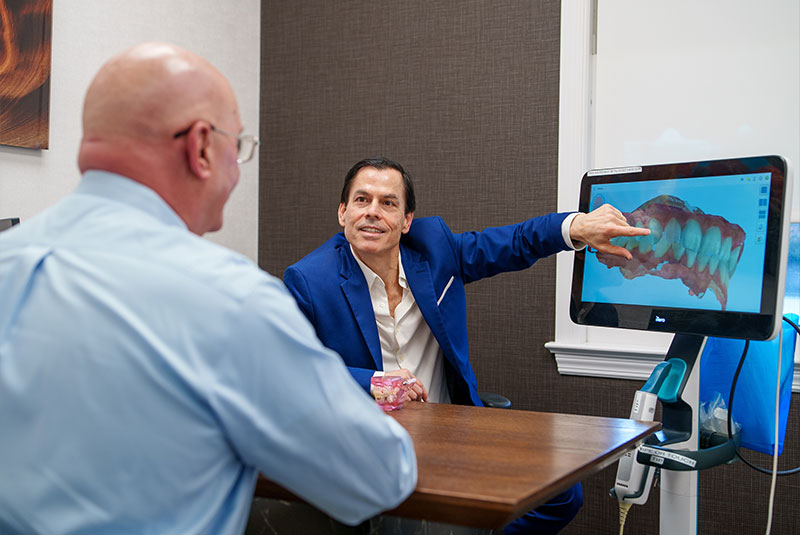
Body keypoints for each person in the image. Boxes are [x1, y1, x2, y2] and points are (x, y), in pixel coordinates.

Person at [0, 46, 416, 535]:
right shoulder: (232, 299)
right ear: (200, 148)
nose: (237, 170)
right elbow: (378, 476)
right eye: (237, 147)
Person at [283, 156, 650, 534]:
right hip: (369, 445)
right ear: (343, 212)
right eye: (362, 200)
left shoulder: (435, 249)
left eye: (388, 202)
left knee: (561, 495)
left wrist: (575, 226)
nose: (372, 211)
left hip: (449, 435)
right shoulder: (310, 280)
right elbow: (288, 370)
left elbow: (514, 242)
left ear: (407, 221)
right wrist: (373, 381)